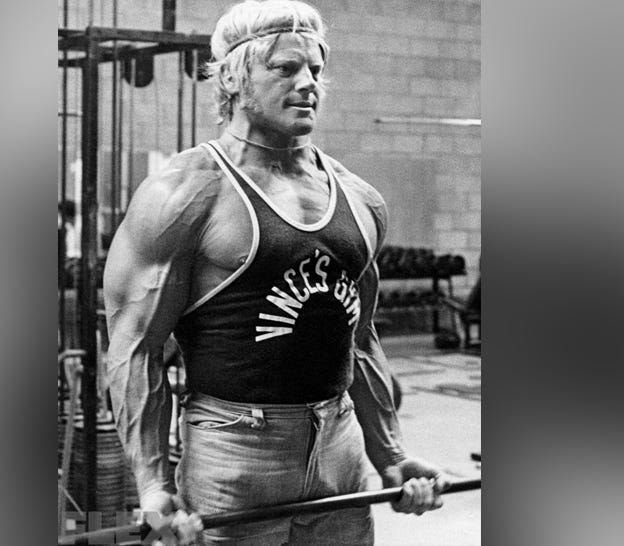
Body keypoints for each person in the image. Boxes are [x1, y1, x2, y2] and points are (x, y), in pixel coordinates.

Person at [103, 1, 447, 544]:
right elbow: (135, 349)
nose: (308, 83)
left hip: (339, 446)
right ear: (233, 78)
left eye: (315, 69)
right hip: (235, 451)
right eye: (286, 68)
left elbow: (359, 337)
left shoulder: (359, 197)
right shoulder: (185, 193)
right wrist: (153, 485)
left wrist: (390, 454)